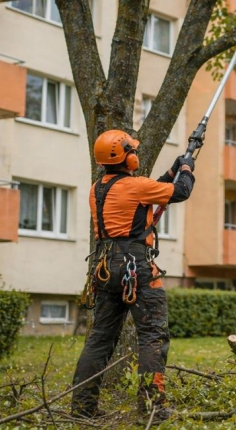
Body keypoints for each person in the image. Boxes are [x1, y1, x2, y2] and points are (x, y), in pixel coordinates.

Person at [71, 130, 195, 420]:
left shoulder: (97, 188)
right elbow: (180, 191)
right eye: (132, 151)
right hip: (135, 266)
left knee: (100, 338)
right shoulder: (135, 185)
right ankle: (153, 409)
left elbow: (152, 189)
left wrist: (174, 168)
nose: (135, 155)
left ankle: (82, 408)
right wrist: (187, 169)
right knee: (153, 335)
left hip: (105, 266)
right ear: (126, 156)